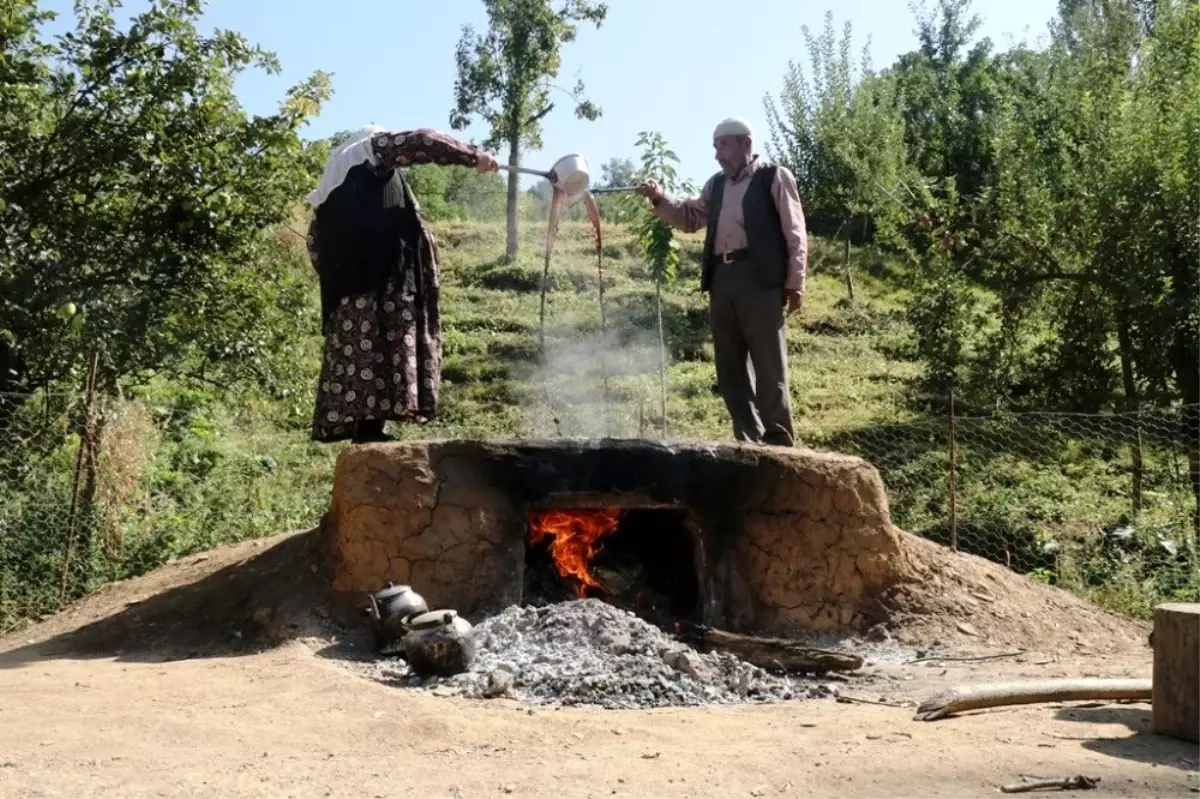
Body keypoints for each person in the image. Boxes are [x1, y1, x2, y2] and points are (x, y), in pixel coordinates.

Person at [305, 125, 498, 443]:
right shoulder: (368, 153)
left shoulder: (331, 187)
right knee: (381, 350)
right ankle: (369, 432)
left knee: (365, 362)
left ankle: (368, 430)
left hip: (349, 294)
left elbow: (315, 246)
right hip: (384, 284)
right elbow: (421, 141)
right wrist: (472, 156)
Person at [637, 117, 808, 447]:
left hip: (761, 279)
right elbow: (689, 219)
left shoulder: (773, 176)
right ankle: (748, 440)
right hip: (722, 278)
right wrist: (659, 197)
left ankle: (779, 444)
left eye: (724, 146)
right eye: (715, 147)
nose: (718, 154)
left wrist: (795, 282)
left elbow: (795, 232)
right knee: (729, 368)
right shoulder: (715, 185)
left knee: (769, 365)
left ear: (746, 144)